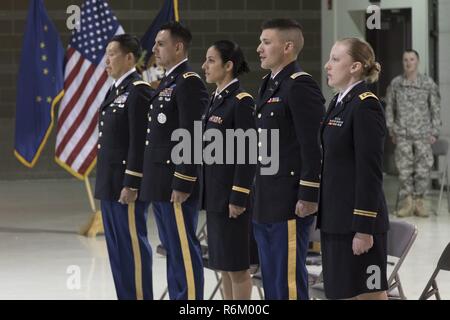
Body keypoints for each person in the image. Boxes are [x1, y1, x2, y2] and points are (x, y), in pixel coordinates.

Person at [253, 18, 325, 300]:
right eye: (260, 41)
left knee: (287, 280)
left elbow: (313, 146)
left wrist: (309, 194)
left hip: (289, 200)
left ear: (288, 47)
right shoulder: (268, 84)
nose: (259, 48)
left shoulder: (300, 86)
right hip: (266, 197)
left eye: (266, 42)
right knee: (271, 278)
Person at [139, 22, 209, 300]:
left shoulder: (189, 82)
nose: (154, 49)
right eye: (155, 43)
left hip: (175, 184)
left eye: (160, 43)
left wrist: (183, 180)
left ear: (178, 47)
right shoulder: (169, 80)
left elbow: (192, 135)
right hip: (160, 182)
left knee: (183, 249)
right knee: (171, 249)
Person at [319, 38, 390, 300]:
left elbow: (370, 172)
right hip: (336, 221)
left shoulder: (365, 105)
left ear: (355, 67)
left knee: (368, 294)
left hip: (358, 224)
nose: (328, 65)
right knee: (340, 293)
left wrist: (363, 227)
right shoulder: (338, 102)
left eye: (336, 59)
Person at [94, 34, 154, 300]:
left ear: (129, 58)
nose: (107, 60)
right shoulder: (115, 90)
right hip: (109, 184)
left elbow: (140, 140)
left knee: (132, 249)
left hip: (125, 185)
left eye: (112, 54)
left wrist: (132, 182)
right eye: (106, 54)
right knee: (117, 251)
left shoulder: (138, 89)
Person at [201, 40, 256, 300]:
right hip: (215, 196)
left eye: (211, 60)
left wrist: (239, 195)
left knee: (237, 268)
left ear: (229, 65)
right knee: (222, 265)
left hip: (232, 199)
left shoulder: (241, 102)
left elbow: (247, 153)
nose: (205, 66)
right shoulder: (215, 99)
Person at [385, 49, 441, 218]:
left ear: (418, 62)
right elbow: (389, 108)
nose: (408, 63)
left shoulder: (428, 83)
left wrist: (435, 131)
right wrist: (391, 129)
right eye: (405, 60)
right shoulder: (396, 84)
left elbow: (435, 108)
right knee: (404, 170)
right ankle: (407, 202)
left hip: (424, 133)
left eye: (412, 59)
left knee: (423, 170)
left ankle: (419, 202)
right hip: (402, 133)